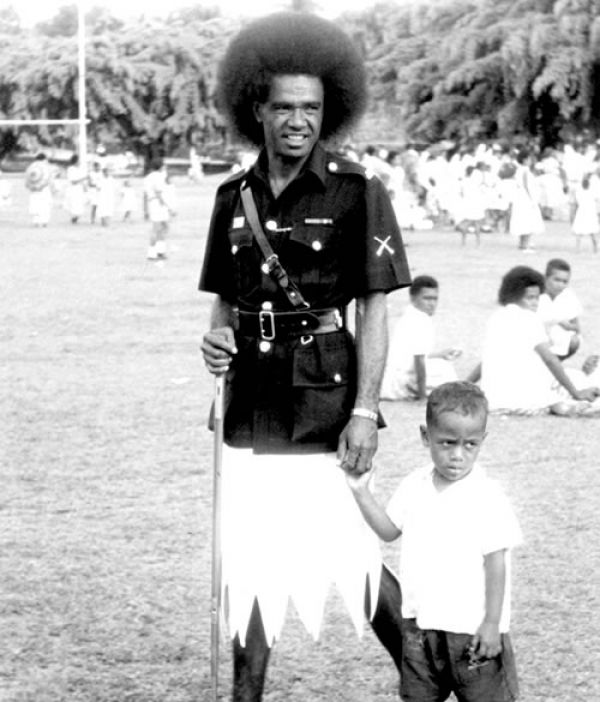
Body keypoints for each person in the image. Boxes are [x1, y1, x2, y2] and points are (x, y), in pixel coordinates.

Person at [199, 12, 411, 701]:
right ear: (255, 108)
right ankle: (245, 693)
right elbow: (223, 306)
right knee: (250, 551)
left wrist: (367, 411)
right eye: (285, 107)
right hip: (251, 396)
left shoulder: (358, 191)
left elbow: (374, 308)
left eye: (312, 108)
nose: (298, 121)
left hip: (325, 387)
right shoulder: (231, 198)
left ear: (330, 110)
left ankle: (428, 669)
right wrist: (215, 338)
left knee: (348, 547)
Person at [347, 381, 522, 702]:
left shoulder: (487, 495)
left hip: (472, 630)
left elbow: (497, 563)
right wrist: (360, 491)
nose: (458, 455)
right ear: (425, 436)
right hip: (421, 629)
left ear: (483, 440)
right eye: (447, 443)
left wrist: (493, 623)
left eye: (470, 445)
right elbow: (388, 531)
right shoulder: (415, 485)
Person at [467, 266, 599, 415]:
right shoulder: (529, 319)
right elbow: (550, 359)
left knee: (569, 377)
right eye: (529, 298)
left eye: (537, 298)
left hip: (493, 401)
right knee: (575, 379)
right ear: (512, 296)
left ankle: (563, 403)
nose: (535, 303)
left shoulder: (496, 317)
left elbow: (487, 360)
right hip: (525, 399)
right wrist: (576, 393)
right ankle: (566, 405)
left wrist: (464, 385)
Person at [381, 276, 460, 401]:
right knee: (445, 368)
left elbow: (414, 356)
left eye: (435, 299)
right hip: (402, 381)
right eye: (427, 298)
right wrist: (422, 397)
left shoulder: (411, 315)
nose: (432, 304)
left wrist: (440, 354)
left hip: (393, 379)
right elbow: (419, 361)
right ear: (413, 298)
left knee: (443, 364)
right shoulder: (420, 320)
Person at [537, 258, 582, 361]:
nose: (561, 285)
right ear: (546, 278)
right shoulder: (536, 295)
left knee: (574, 341)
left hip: (557, 339)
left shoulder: (568, 296)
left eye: (565, 282)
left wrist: (562, 323)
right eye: (556, 280)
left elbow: (577, 327)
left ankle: (556, 363)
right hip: (536, 339)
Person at [507, 149, 544, 252]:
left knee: (523, 220)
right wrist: (532, 199)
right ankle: (526, 245)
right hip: (526, 199)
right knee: (528, 220)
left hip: (521, 198)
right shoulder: (524, 170)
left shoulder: (520, 170)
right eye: (529, 159)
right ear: (525, 159)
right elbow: (526, 186)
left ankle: (522, 244)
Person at [143, 158, 174, 260]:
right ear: (161, 166)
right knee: (157, 228)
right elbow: (159, 193)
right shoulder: (158, 177)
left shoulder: (148, 177)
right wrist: (169, 208)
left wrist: (145, 209)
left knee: (164, 227)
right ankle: (152, 253)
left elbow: (145, 195)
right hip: (158, 203)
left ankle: (160, 250)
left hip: (152, 202)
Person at [571, 174, 599, 252]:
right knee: (592, 233)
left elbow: (575, 203)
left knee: (579, 233)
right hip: (590, 213)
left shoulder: (579, 192)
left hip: (582, 213)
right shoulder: (593, 192)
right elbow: (596, 201)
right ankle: (595, 248)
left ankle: (577, 248)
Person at [24, 153, 53, 227]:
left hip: (33, 189)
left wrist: (31, 187)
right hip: (44, 189)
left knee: (35, 204)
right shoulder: (46, 166)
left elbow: (27, 179)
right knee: (45, 205)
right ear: (44, 159)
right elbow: (48, 178)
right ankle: (44, 221)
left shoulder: (31, 166)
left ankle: (36, 221)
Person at [63, 154, 86, 224]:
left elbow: (80, 180)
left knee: (79, 205)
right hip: (73, 189)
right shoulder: (71, 169)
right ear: (75, 161)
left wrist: (84, 186)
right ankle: (74, 219)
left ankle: (75, 218)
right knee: (74, 205)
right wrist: (84, 178)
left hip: (79, 189)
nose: (79, 162)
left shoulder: (78, 169)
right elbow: (73, 181)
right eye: (78, 160)